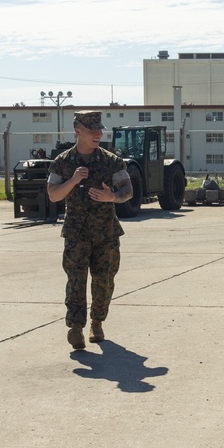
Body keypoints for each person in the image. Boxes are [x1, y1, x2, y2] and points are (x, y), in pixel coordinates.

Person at [47, 110, 133, 351]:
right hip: (76, 233)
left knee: (104, 280)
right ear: (77, 131)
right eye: (92, 130)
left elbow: (128, 190)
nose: (98, 134)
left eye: (100, 130)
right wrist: (73, 181)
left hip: (106, 232)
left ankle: (97, 322)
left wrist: (112, 196)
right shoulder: (63, 162)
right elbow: (53, 195)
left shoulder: (111, 161)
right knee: (76, 280)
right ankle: (75, 327)